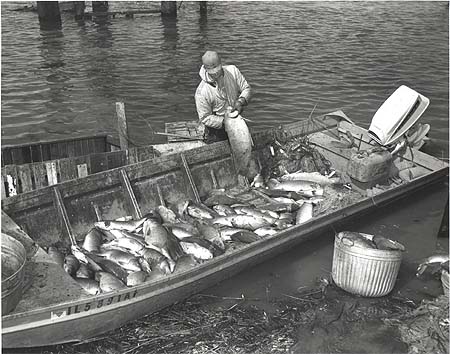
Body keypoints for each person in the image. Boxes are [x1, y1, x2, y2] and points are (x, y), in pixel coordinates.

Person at [195, 51, 252, 143]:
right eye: (212, 72)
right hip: (216, 130)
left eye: (217, 70)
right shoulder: (202, 92)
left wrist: (241, 101)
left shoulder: (233, 71)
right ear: (205, 68)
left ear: (221, 63)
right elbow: (205, 117)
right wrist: (226, 122)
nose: (216, 74)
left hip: (236, 120)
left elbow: (246, 88)